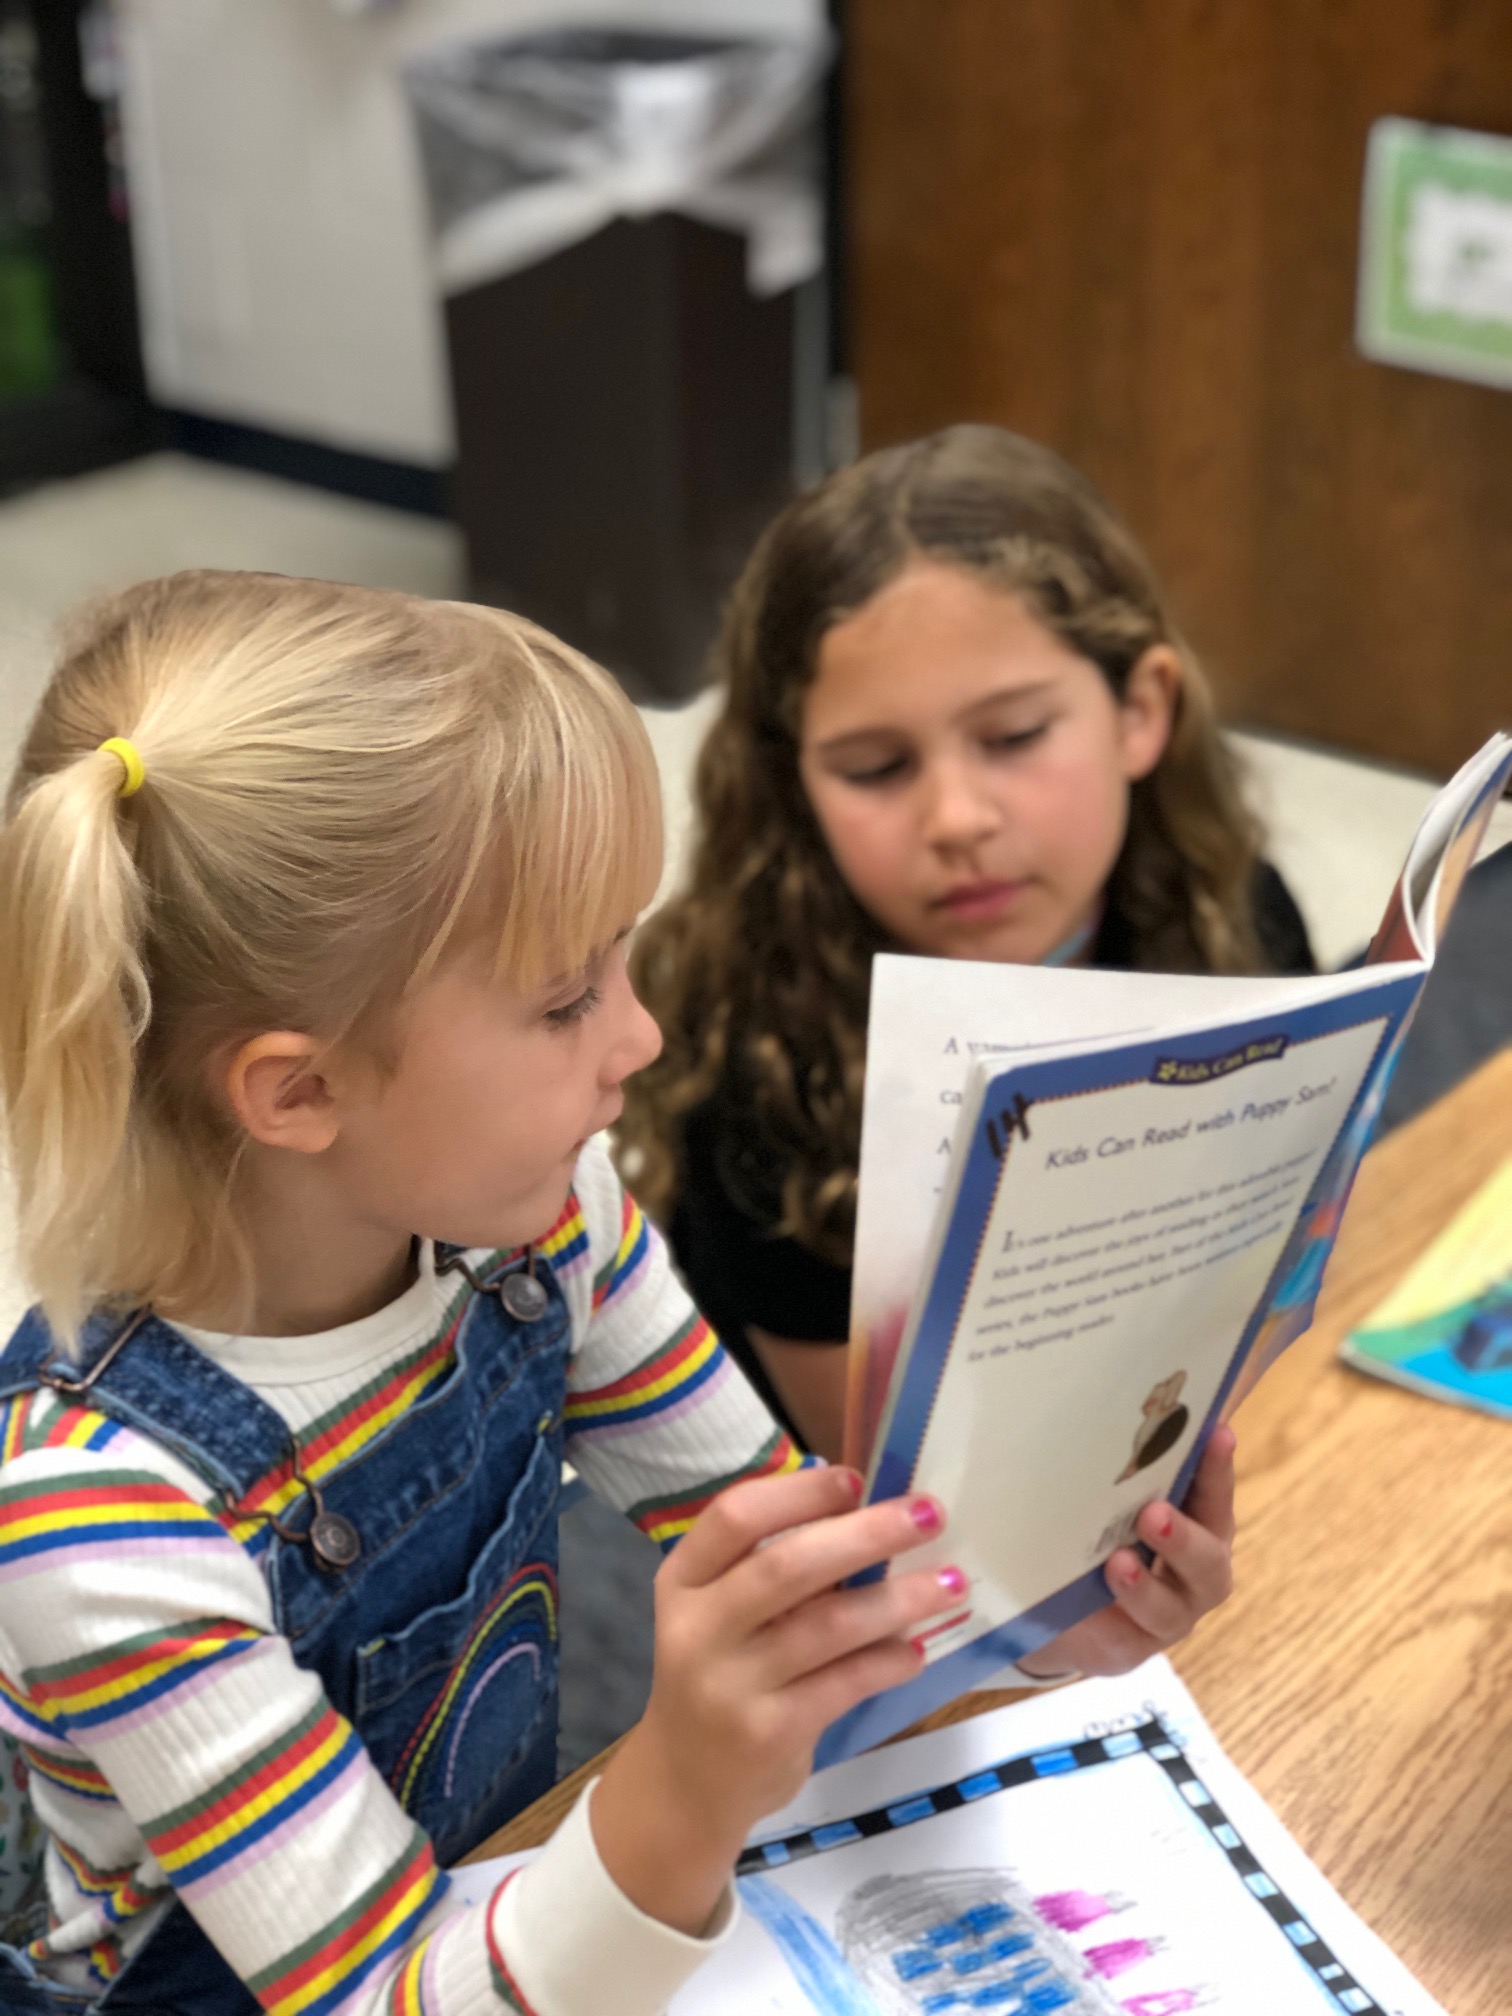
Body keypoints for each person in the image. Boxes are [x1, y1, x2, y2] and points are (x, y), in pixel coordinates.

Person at [0, 572, 979, 2015]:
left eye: (621, 960)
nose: (640, 1035)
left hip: (499, 1904)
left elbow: (789, 1550)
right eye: (564, 998)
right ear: (301, 1089)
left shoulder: (540, 1225)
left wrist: (1061, 1581)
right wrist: (677, 1796)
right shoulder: (97, 1524)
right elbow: (389, 1995)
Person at [619, 425, 1314, 1460]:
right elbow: (896, 1476)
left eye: (1016, 737)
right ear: (794, 786)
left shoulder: (1239, 916)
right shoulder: (759, 1062)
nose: (955, 818)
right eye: (874, 767)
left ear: (1140, 708)